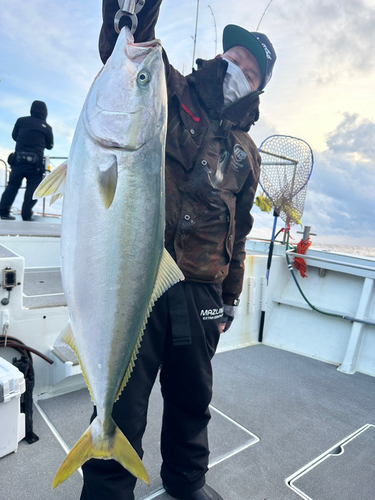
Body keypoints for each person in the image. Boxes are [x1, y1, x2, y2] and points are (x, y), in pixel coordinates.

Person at [80, 2, 276, 499]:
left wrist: (231, 295)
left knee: (192, 399)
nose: (239, 69)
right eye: (236, 55)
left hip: (203, 288)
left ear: (258, 88)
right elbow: (126, 56)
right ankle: (108, 487)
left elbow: (243, 226)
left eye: (251, 70)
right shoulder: (170, 89)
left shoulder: (248, 152)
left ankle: (187, 483)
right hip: (141, 276)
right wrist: (133, 12)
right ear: (220, 55)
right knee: (124, 399)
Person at [0, 100, 53, 221]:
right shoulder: (47, 128)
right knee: (32, 189)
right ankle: (26, 215)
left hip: (18, 162)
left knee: (12, 186)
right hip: (36, 165)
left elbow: (14, 136)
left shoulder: (21, 121)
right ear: (45, 112)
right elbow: (50, 145)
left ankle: (3, 212)